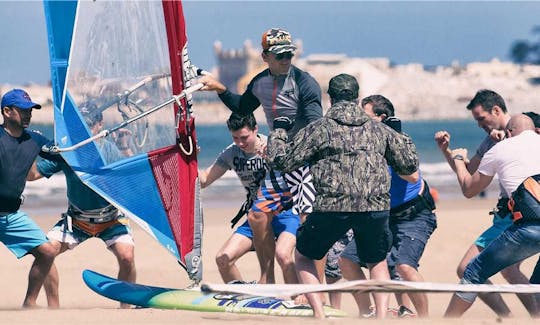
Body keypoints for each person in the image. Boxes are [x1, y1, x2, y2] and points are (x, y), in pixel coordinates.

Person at [266, 74, 419, 318]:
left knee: (304, 255)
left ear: (331, 98)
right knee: (376, 261)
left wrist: (279, 132)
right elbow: (410, 165)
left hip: (331, 207)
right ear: (357, 99)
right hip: (375, 206)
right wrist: (398, 134)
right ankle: (380, 317)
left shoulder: (318, 129)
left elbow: (282, 162)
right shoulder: (378, 129)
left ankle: (319, 313)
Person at [199, 28, 323, 284]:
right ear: (265, 56)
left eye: (289, 54)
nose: (286, 59)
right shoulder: (259, 83)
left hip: (306, 162)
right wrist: (221, 89)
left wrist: (293, 148)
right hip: (281, 163)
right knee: (257, 214)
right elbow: (242, 108)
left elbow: (316, 127)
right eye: (279, 55)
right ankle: (267, 280)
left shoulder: (305, 82)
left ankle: (316, 288)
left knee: (308, 223)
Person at [434, 89, 537, 316]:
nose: (480, 125)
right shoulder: (489, 141)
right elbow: (469, 174)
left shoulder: (515, 134)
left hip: (516, 216)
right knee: (510, 271)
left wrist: (460, 160)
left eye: (481, 118)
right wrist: (447, 153)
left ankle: (507, 316)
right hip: (512, 215)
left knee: (467, 269)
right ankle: (524, 317)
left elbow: (469, 188)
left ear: (497, 110)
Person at [26, 107, 135, 308]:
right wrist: (30, 148)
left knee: (127, 257)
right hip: (77, 221)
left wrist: (125, 148)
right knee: (46, 251)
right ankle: (54, 308)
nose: (83, 131)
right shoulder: (68, 152)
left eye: (89, 126)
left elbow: (131, 180)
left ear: (100, 126)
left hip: (110, 220)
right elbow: (32, 176)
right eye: (80, 127)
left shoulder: (110, 151)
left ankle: (126, 307)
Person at [338, 94, 437, 318]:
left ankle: (425, 319)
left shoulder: (400, 140)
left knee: (404, 266)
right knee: (347, 261)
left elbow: (412, 176)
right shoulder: (362, 142)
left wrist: (392, 143)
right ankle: (368, 312)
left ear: (381, 118)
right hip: (382, 214)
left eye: (364, 115)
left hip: (414, 214)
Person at [198, 113, 301, 291]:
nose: (240, 143)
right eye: (235, 138)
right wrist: (190, 159)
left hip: (285, 213)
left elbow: (298, 178)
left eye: (244, 137)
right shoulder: (232, 152)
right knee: (223, 259)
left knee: (283, 256)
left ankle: (299, 297)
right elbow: (205, 180)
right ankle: (245, 296)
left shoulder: (273, 146)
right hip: (256, 217)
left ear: (255, 130)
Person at [0, 88, 58, 307]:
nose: (28, 114)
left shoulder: (35, 139)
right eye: (23, 110)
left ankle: (29, 304)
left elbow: (61, 151)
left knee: (47, 252)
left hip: (10, 216)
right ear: (7, 111)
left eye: (30, 110)